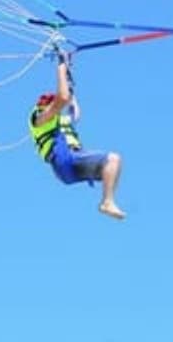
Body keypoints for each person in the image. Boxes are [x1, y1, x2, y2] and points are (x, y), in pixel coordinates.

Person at [29, 52, 125, 220]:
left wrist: (68, 74)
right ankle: (107, 202)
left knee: (113, 162)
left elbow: (73, 108)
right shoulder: (40, 120)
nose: (51, 106)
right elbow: (63, 98)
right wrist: (60, 66)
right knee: (112, 158)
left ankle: (107, 201)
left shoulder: (63, 121)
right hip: (64, 160)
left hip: (72, 164)